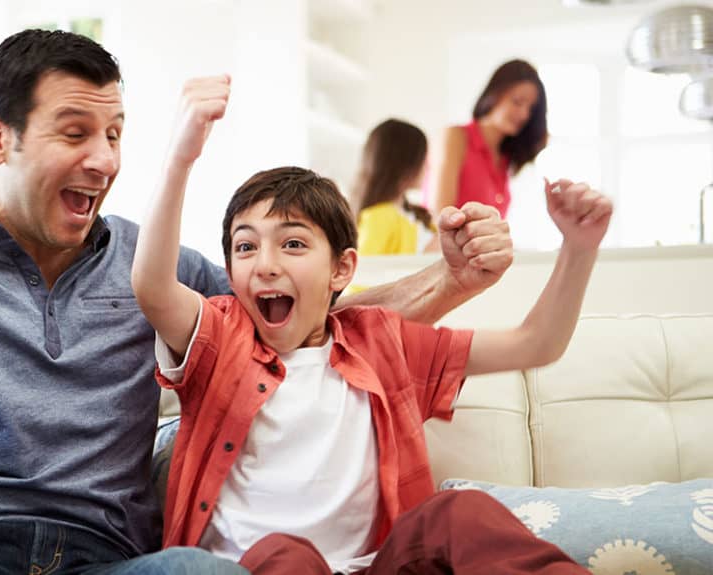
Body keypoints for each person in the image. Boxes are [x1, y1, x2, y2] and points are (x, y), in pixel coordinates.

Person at [0, 14, 515, 575]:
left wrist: (449, 278)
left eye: (115, 135)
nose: (105, 160)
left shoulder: (152, 263)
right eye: (76, 132)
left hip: (108, 559)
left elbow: (309, 317)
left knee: (201, 573)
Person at [132, 76, 612, 574]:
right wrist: (180, 158)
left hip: (376, 567)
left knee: (456, 513)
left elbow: (536, 345)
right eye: (245, 246)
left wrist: (578, 248)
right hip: (257, 569)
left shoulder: (381, 340)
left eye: (293, 244)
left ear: (341, 269)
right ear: (230, 273)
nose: (265, 264)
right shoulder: (221, 336)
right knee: (285, 553)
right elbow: (153, 286)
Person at [434, 59, 549, 219]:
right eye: (517, 102)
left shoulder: (505, 157)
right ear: (494, 94)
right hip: (449, 244)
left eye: (531, 108)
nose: (524, 115)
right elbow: (440, 217)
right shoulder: (456, 137)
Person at [351, 118, 438, 255]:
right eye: (424, 159)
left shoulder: (415, 214)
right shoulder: (379, 218)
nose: (428, 167)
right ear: (406, 163)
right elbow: (367, 272)